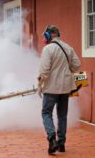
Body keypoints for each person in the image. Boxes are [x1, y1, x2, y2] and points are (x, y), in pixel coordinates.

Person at [37, 25, 81, 155]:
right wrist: (67, 71)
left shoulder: (48, 49)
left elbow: (44, 71)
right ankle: (61, 143)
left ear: (48, 35)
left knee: (46, 113)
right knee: (62, 115)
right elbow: (77, 65)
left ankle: (52, 139)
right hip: (66, 87)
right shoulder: (68, 48)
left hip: (51, 87)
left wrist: (40, 85)